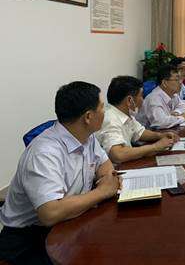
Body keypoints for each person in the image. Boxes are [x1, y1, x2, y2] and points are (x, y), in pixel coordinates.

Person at [0, 82, 121, 264]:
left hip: (71, 222)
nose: (105, 112)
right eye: (102, 107)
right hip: (28, 240)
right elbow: (50, 213)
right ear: (88, 117)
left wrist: (105, 184)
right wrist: (102, 192)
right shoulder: (44, 152)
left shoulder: (87, 137)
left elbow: (107, 170)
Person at [96, 76, 180, 164]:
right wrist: (155, 147)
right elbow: (117, 155)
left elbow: (140, 132)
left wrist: (160, 135)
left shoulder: (124, 113)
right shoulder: (110, 119)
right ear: (129, 100)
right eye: (141, 96)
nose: (142, 100)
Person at [136, 65, 185, 129]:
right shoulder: (154, 98)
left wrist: (176, 112)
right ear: (165, 83)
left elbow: (182, 106)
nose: (180, 83)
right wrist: (182, 118)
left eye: (180, 79)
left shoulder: (173, 94)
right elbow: (160, 122)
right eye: (177, 80)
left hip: (165, 131)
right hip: (150, 133)